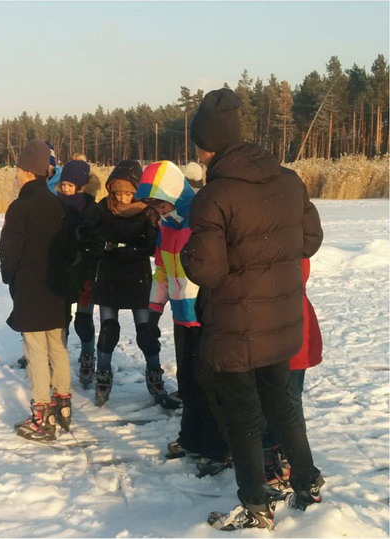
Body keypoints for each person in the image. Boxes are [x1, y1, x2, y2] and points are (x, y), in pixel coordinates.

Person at [179, 88, 325, 531]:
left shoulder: (215, 195)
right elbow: (310, 241)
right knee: (282, 406)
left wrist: (187, 251)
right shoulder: (288, 180)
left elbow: (205, 269)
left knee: (243, 418)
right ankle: (308, 483)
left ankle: (257, 505)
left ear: (207, 145)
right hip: (281, 322)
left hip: (236, 326)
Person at [135, 160, 231, 477]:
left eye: (160, 202)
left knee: (210, 385)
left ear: (174, 193)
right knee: (188, 383)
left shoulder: (200, 221)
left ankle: (219, 447)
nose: (158, 209)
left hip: (206, 315)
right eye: (153, 205)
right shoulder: (168, 227)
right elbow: (162, 271)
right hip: (181, 317)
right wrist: (152, 313)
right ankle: (192, 438)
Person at [0, 139, 75, 441]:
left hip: (31, 289)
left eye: (18, 169)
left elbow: (10, 250)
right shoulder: (59, 205)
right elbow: (70, 248)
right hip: (57, 289)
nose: (16, 174)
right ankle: (64, 404)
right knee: (58, 346)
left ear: (28, 171)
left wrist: (11, 278)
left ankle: (42, 416)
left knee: (36, 351)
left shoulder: (20, 207)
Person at [77, 161, 160, 406]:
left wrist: (133, 249)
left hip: (138, 274)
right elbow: (85, 231)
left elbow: (154, 244)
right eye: (118, 192)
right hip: (110, 274)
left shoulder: (147, 211)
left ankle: (155, 373)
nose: (123, 198)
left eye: (129, 192)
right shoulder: (103, 208)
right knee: (108, 329)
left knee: (145, 331)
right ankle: (103, 372)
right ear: (111, 190)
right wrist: (100, 242)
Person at [262, 257, 323, 488]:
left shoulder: (290, 240)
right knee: (278, 398)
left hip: (289, 327)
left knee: (288, 400)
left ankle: (290, 457)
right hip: (279, 326)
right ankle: (278, 452)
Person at [55, 160, 99, 389]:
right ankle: (58, 358)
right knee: (60, 320)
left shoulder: (91, 207)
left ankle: (87, 356)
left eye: (71, 185)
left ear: (81, 185)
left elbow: (96, 237)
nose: (66, 189)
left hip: (84, 270)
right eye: (64, 184)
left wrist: (83, 239)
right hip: (63, 269)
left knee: (83, 320)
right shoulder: (54, 204)